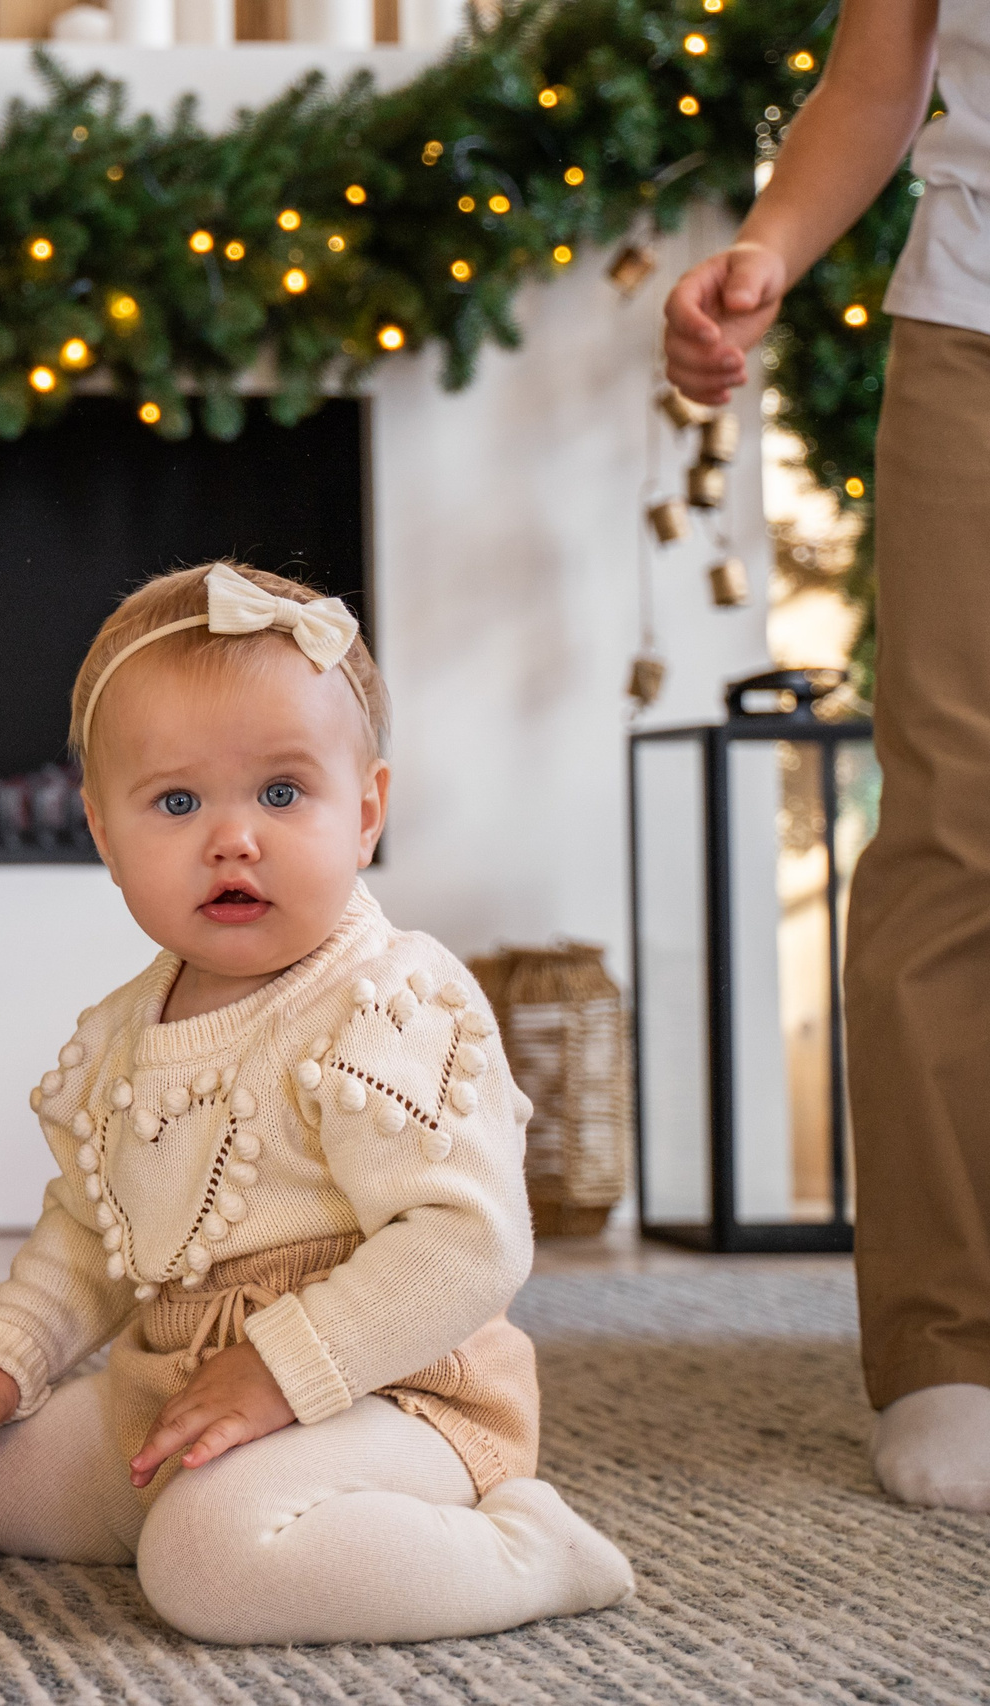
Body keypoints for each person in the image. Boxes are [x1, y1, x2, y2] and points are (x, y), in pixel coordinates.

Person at [0, 563, 635, 1644]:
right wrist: (5, 1355)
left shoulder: (387, 1001)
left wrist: (282, 1366)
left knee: (204, 1567)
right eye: (177, 801)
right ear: (102, 831)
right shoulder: (126, 1030)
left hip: (394, 1391)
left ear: (364, 809)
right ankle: (236, 1506)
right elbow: (89, 1231)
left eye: (281, 792)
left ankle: (520, 1548)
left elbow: (469, 1243)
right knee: (8, 1486)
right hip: (183, 1375)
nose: (234, 837)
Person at [665, 0, 990, 1513]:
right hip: (977, 334)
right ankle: (951, 1342)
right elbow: (880, 75)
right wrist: (770, 251)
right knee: (956, 821)